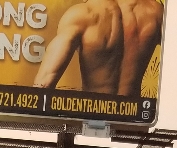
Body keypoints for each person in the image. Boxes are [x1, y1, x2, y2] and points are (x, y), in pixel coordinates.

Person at [33, 0, 163, 97]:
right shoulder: (156, 12)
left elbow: (44, 83)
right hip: (133, 120)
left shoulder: (83, 14)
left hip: (91, 118)